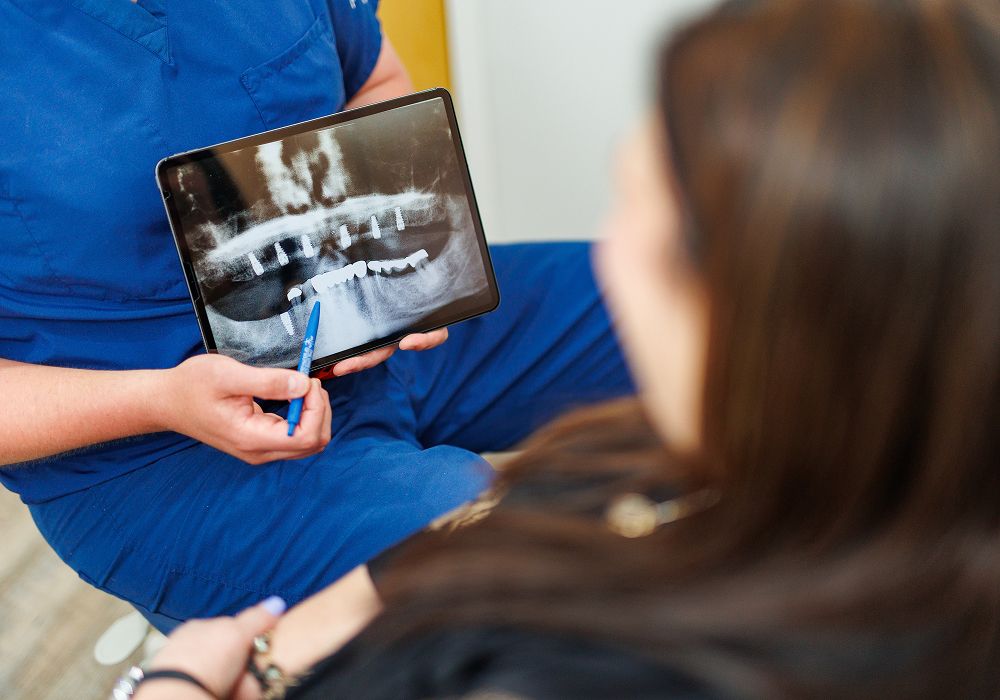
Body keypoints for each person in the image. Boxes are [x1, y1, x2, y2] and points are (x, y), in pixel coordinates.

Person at [121, 0, 1000, 697]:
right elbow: (486, 539)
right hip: (157, 447)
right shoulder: (640, 469)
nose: (606, 252)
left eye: (632, 203)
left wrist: (175, 686)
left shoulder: (533, 664)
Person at [0, 0, 632, 631]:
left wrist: (397, 272)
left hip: (376, 331)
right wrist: (162, 399)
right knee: (483, 559)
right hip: (156, 451)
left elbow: (376, 82)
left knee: (685, 308)